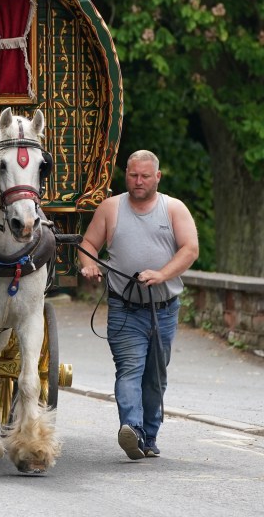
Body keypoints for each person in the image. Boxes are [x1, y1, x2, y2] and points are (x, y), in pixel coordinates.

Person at [78, 150, 199, 460]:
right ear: (126, 175)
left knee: (155, 377)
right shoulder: (111, 208)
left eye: (145, 176)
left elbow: (190, 249)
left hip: (164, 310)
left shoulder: (173, 209)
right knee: (129, 370)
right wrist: (89, 265)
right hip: (125, 308)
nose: (138, 181)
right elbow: (88, 244)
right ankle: (131, 429)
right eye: (133, 175)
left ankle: (149, 434)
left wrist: (162, 274)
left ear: (157, 177)